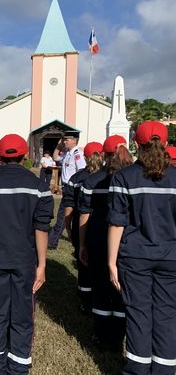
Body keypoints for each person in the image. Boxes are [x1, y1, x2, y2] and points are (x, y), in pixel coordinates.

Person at [0, 134, 53, 375]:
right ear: (25, 155)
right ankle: (18, 365)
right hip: (25, 261)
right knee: (23, 312)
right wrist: (42, 265)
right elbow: (41, 227)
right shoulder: (40, 187)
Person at [106, 121, 176, 375]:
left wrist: (111, 262)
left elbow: (117, 223)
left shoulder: (124, 177)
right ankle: (165, 369)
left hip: (134, 257)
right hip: (170, 257)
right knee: (167, 314)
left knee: (138, 313)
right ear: (166, 144)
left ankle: (137, 367)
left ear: (136, 143)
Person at [79, 134, 132, 350]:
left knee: (100, 288)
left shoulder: (91, 180)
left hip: (99, 237)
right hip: (124, 239)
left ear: (103, 154)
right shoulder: (132, 177)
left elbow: (84, 214)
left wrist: (82, 244)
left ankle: (101, 335)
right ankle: (118, 335)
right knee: (121, 289)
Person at [62, 141, 103, 314]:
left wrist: (69, 228)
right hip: (101, 227)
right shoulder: (109, 177)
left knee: (83, 264)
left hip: (82, 226)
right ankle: (99, 297)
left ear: (85, 157)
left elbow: (69, 207)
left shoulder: (77, 178)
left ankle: (85, 301)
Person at [48, 131, 86, 249]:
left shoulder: (77, 153)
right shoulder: (67, 153)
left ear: (74, 140)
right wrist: (59, 146)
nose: (65, 141)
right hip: (66, 187)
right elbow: (55, 157)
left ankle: (52, 242)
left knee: (63, 216)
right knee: (68, 216)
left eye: (67, 139)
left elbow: (82, 171)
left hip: (72, 188)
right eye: (64, 139)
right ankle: (75, 239)